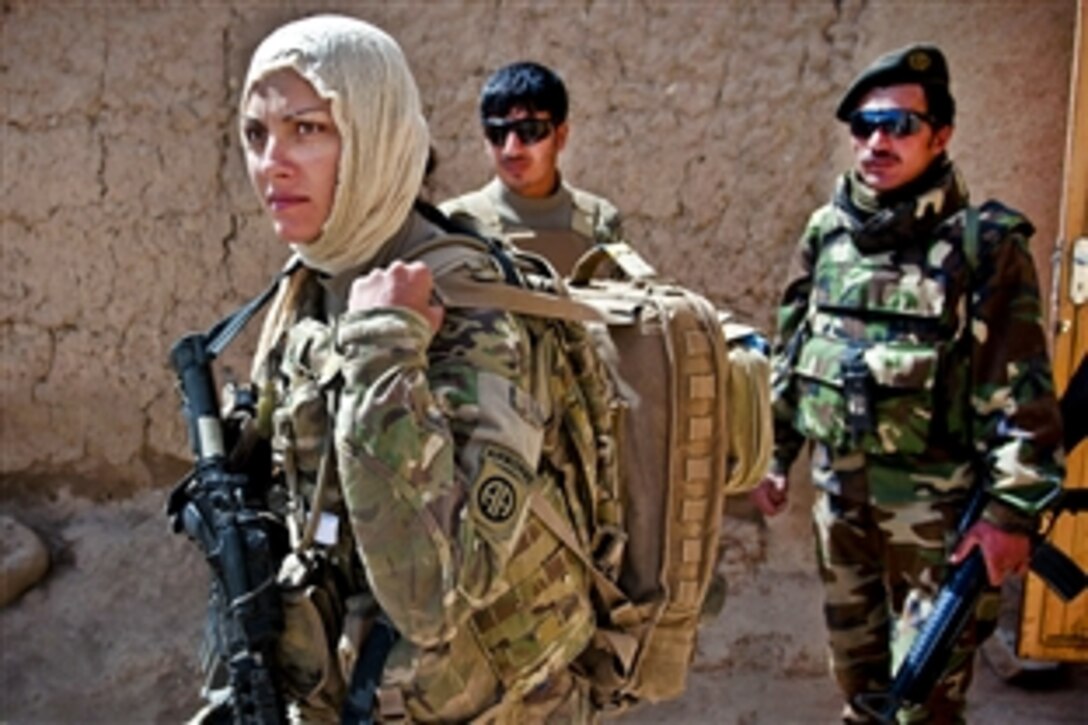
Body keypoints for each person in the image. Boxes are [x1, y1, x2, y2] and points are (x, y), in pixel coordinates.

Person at [202, 15, 599, 723]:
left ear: (375, 131)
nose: (273, 163)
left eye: (308, 129)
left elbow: (433, 595)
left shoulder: (468, 307)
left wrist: (386, 343)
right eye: (257, 134)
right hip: (354, 689)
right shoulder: (313, 280)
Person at [750, 43, 1065, 723]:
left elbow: (1022, 392)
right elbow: (792, 352)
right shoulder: (827, 234)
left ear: (941, 135)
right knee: (860, 688)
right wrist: (772, 457)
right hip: (843, 510)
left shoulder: (984, 246)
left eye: (899, 125)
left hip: (940, 522)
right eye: (864, 126)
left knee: (924, 698)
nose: (877, 141)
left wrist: (1010, 512)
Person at [440, 61, 625, 275]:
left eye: (529, 131)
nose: (511, 149)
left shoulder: (599, 223)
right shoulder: (455, 223)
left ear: (560, 136)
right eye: (497, 133)